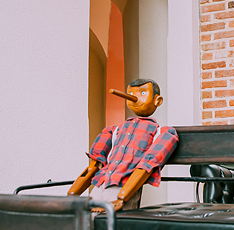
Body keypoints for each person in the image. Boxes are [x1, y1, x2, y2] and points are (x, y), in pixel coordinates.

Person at [68, 78, 178, 213]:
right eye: (130, 93)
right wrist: (72, 195)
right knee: (84, 221)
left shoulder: (163, 133)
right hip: (100, 184)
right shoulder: (113, 131)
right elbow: (93, 166)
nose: (134, 97)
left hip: (123, 186)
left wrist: (122, 198)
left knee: (108, 224)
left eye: (142, 93)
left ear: (157, 100)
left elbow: (146, 166)